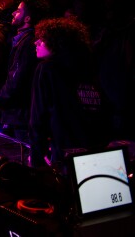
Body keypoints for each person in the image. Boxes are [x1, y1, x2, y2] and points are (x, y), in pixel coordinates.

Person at [28, 17, 111, 170]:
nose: (36, 43)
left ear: (58, 43)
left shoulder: (47, 69)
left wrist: (36, 157)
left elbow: (38, 117)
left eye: (42, 39)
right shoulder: (88, 68)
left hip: (62, 152)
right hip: (95, 148)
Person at [0, 0, 51, 142]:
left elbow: (17, 79)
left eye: (18, 11)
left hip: (21, 116)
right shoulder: (22, 40)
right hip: (19, 114)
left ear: (27, 18)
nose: (13, 13)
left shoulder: (29, 43)